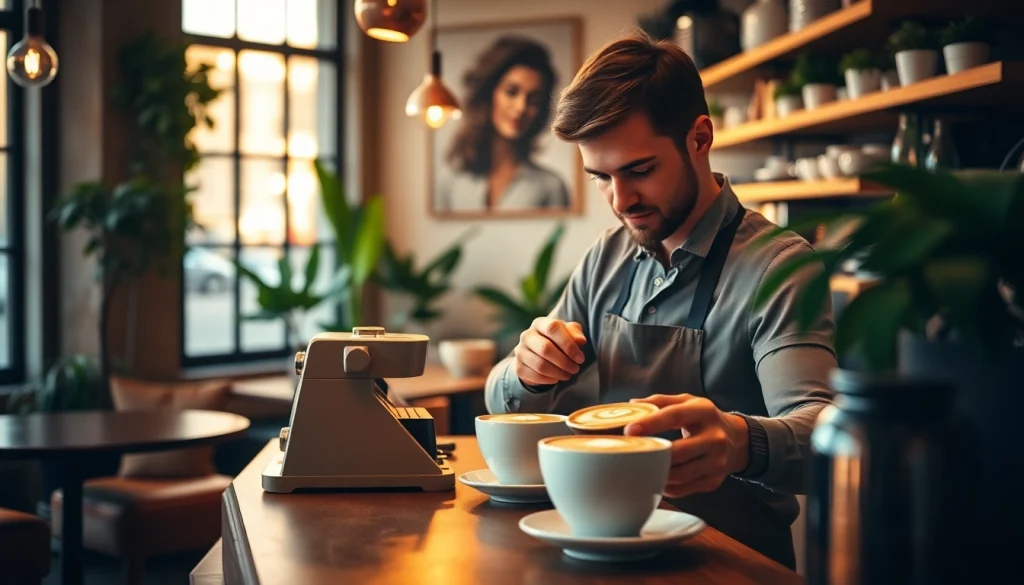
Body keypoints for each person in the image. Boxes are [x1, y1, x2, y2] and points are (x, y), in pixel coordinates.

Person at [483, 32, 838, 569]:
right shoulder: (606, 258)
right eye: (601, 178)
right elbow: (500, 400)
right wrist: (527, 373)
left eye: (639, 171)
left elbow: (826, 434)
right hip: (604, 557)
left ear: (700, 138)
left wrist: (739, 442)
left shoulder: (779, 267)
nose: (620, 200)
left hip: (731, 567)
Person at [436, 35, 571, 213]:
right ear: (489, 94)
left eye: (534, 99)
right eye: (511, 92)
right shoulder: (450, 180)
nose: (521, 107)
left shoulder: (551, 187)